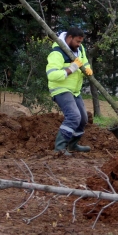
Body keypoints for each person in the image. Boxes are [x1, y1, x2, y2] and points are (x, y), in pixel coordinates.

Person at [46, 27, 94, 156]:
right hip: (60, 89)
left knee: (83, 119)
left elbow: (84, 62)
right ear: (69, 38)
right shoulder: (57, 53)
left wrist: (88, 68)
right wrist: (71, 69)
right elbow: (51, 75)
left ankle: (72, 144)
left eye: (81, 42)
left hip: (75, 90)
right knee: (73, 116)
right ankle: (60, 148)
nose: (79, 45)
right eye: (77, 42)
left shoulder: (80, 49)